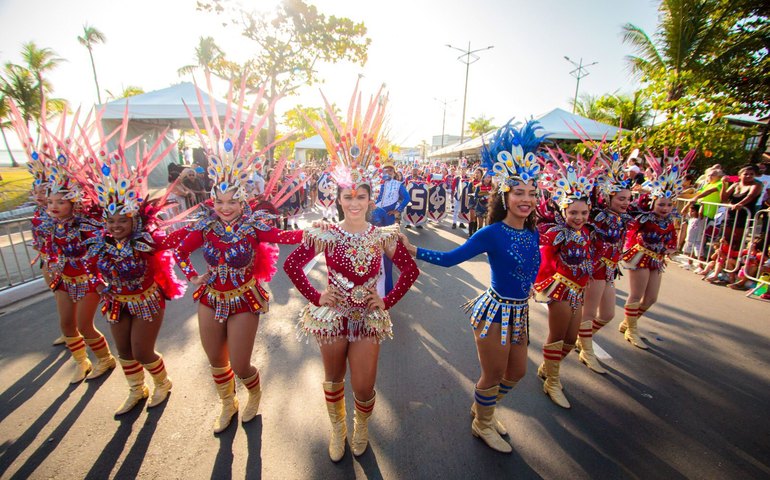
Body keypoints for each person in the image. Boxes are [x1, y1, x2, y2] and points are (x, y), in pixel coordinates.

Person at [287, 80, 419, 462]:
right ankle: (337, 428)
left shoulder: (383, 235)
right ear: (338, 197)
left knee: (363, 385)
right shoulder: (325, 232)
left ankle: (361, 426)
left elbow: (409, 272)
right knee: (333, 379)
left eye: (362, 196)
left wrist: (387, 299)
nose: (356, 202)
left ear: (370, 197)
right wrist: (317, 296)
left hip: (368, 318)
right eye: (349, 196)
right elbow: (292, 265)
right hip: (331, 315)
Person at [401, 119, 543, 453]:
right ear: (505, 196)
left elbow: (528, 267)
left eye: (532, 193)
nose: (526, 198)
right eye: (519, 192)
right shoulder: (490, 233)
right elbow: (452, 259)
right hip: (494, 313)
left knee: (518, 372)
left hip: (519, 313)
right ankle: (482, 422)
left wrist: (531, 286)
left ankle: (484, 407)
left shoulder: (532, 232)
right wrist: (415, 250)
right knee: (492, 374)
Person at [174, 76, 306, 434]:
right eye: (219, 201)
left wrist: (314, 232)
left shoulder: (255, 223)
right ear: (212, 200)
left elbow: (282, 235)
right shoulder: (205, 224)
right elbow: (179, 249)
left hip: (244, 296)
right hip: (210, 294)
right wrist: (191, 274)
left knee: (240, 362)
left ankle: (253, 392)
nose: (225, 207)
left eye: (232, 201)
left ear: (243, 199)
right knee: (215, 360)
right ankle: (226, 403)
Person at [76, 116, 187, 415]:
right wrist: (100, 287)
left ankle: (162, 382)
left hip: (147, 300)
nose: (115, 226)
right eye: (110, 221)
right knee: (123, 351)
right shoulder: (100, 243)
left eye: (121, 220)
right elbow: (88, 266)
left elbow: (178, 241)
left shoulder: (148, 241)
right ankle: (136, 390)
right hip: (116, 301)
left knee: (141, 350)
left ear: (134, 219)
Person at [534, 147, 596, 408]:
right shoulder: (554, 233)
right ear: (563, 210)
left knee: (571, 341)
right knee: (557, 337)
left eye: (583, 213)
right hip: (560, 289)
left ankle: (547, 366)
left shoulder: (586, 233)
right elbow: (543, 261)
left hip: (578, 291)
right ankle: (553, 382)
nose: (579, 217)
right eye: (573, 212)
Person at [620, 150, 695, 349]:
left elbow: (672, 237)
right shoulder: (642, 216)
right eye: (661, 204)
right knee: (636, 295)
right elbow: (628, 215)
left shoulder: (669, 220)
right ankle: (631, 330)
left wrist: (670, 249)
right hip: (640, 256)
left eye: (669, 205)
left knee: (651, 298)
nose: (665, 208)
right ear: (653, 201)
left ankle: (629, 321)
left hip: (657, 259)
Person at [577, 150, 632, 374]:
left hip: (609, 271)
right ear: (608, 197)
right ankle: (586, 350)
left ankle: (583, 338)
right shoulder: (595, 217)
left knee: (608, 314)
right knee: (588, 313)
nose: (626, 203)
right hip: (594, 271)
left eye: (628, 199)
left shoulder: (623, 218)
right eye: (621, 198)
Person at [371, 158, 410, 294]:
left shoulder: (398, 184)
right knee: (374, 247)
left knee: (387, 250)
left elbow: (407, 198)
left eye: (390, 170)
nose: (387, 172)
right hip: (376, 216)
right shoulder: (379, 185)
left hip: (388, 217)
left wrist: (397, 210)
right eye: (385, 170)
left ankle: (387, 288)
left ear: (394, 172)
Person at [721, 164, 763, 249]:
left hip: (744, 215)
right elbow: (724, 198)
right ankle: (722, 257)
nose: (749, 176)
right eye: (746, 174)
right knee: (725, 238)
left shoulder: (757, 184)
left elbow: (750, 196)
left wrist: (740, 204)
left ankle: (735, 258)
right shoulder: (736, 184)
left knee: (737, 239)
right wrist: (723, 184)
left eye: (752, 174)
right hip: (731, 214)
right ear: (740, 175)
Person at [679, 203, 706, 270]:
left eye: (693, 211)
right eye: (690, 211)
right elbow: (683, 212)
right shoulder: (690, 218)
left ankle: (700, 266)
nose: (690, 213)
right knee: (689, 252)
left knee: (699, 254)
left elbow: (700, 213)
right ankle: (689, 263)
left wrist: (702, 205)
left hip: (697, 240)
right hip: (689, 239)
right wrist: (689, 204)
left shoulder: (700, 219)